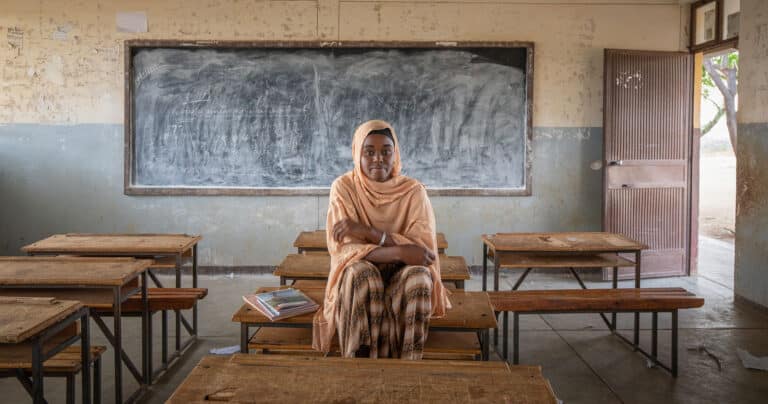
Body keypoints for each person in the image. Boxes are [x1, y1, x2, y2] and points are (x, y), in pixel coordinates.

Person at [312, 120, 451, 360]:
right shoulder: (344, 187)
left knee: (420, 277)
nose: (378, 159)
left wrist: (369, 233)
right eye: (369, 152)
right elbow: (346, 251)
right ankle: (359, 363)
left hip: (402, 273)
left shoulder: (413, 191)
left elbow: (422, 253)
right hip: (361, 275)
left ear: (395, 154)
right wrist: (400, 251)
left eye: (386, 151)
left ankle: (408, 365)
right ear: (357, 154)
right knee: (361, 274)